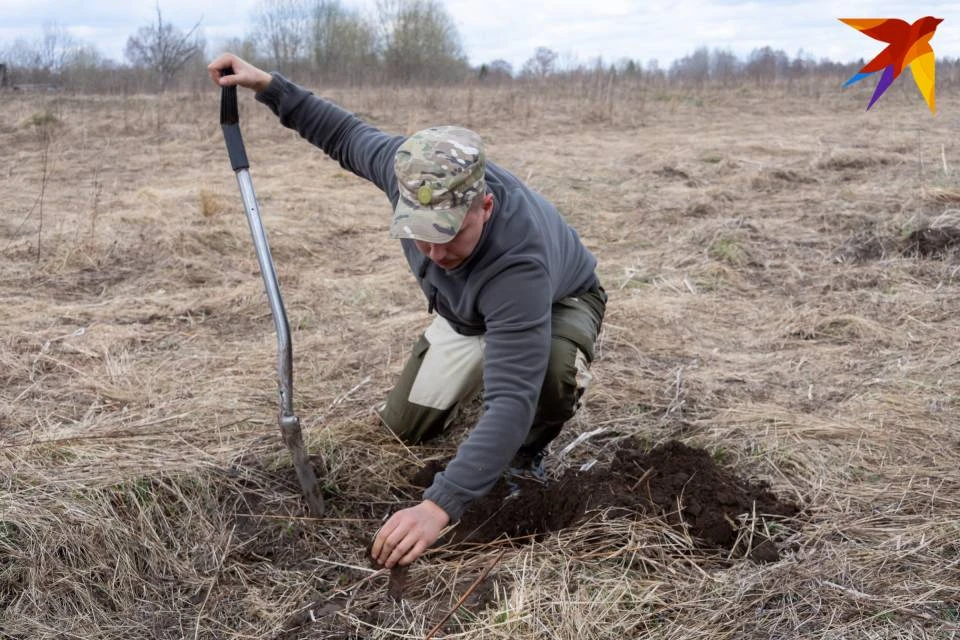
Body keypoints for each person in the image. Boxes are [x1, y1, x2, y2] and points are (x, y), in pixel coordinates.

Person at [207, 53, 607, 569]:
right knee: (404, 429)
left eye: (449, 237)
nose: (437, 256)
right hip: (469, 318)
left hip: (558, 303)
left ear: (483, 207)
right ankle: (482, 365)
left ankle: (528, 453)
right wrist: (267, 85)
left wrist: (440, 505)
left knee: (543, 376)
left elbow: (510, 400)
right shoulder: (407, 171)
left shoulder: (519, 263)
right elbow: (342, 132)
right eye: (421, 238)